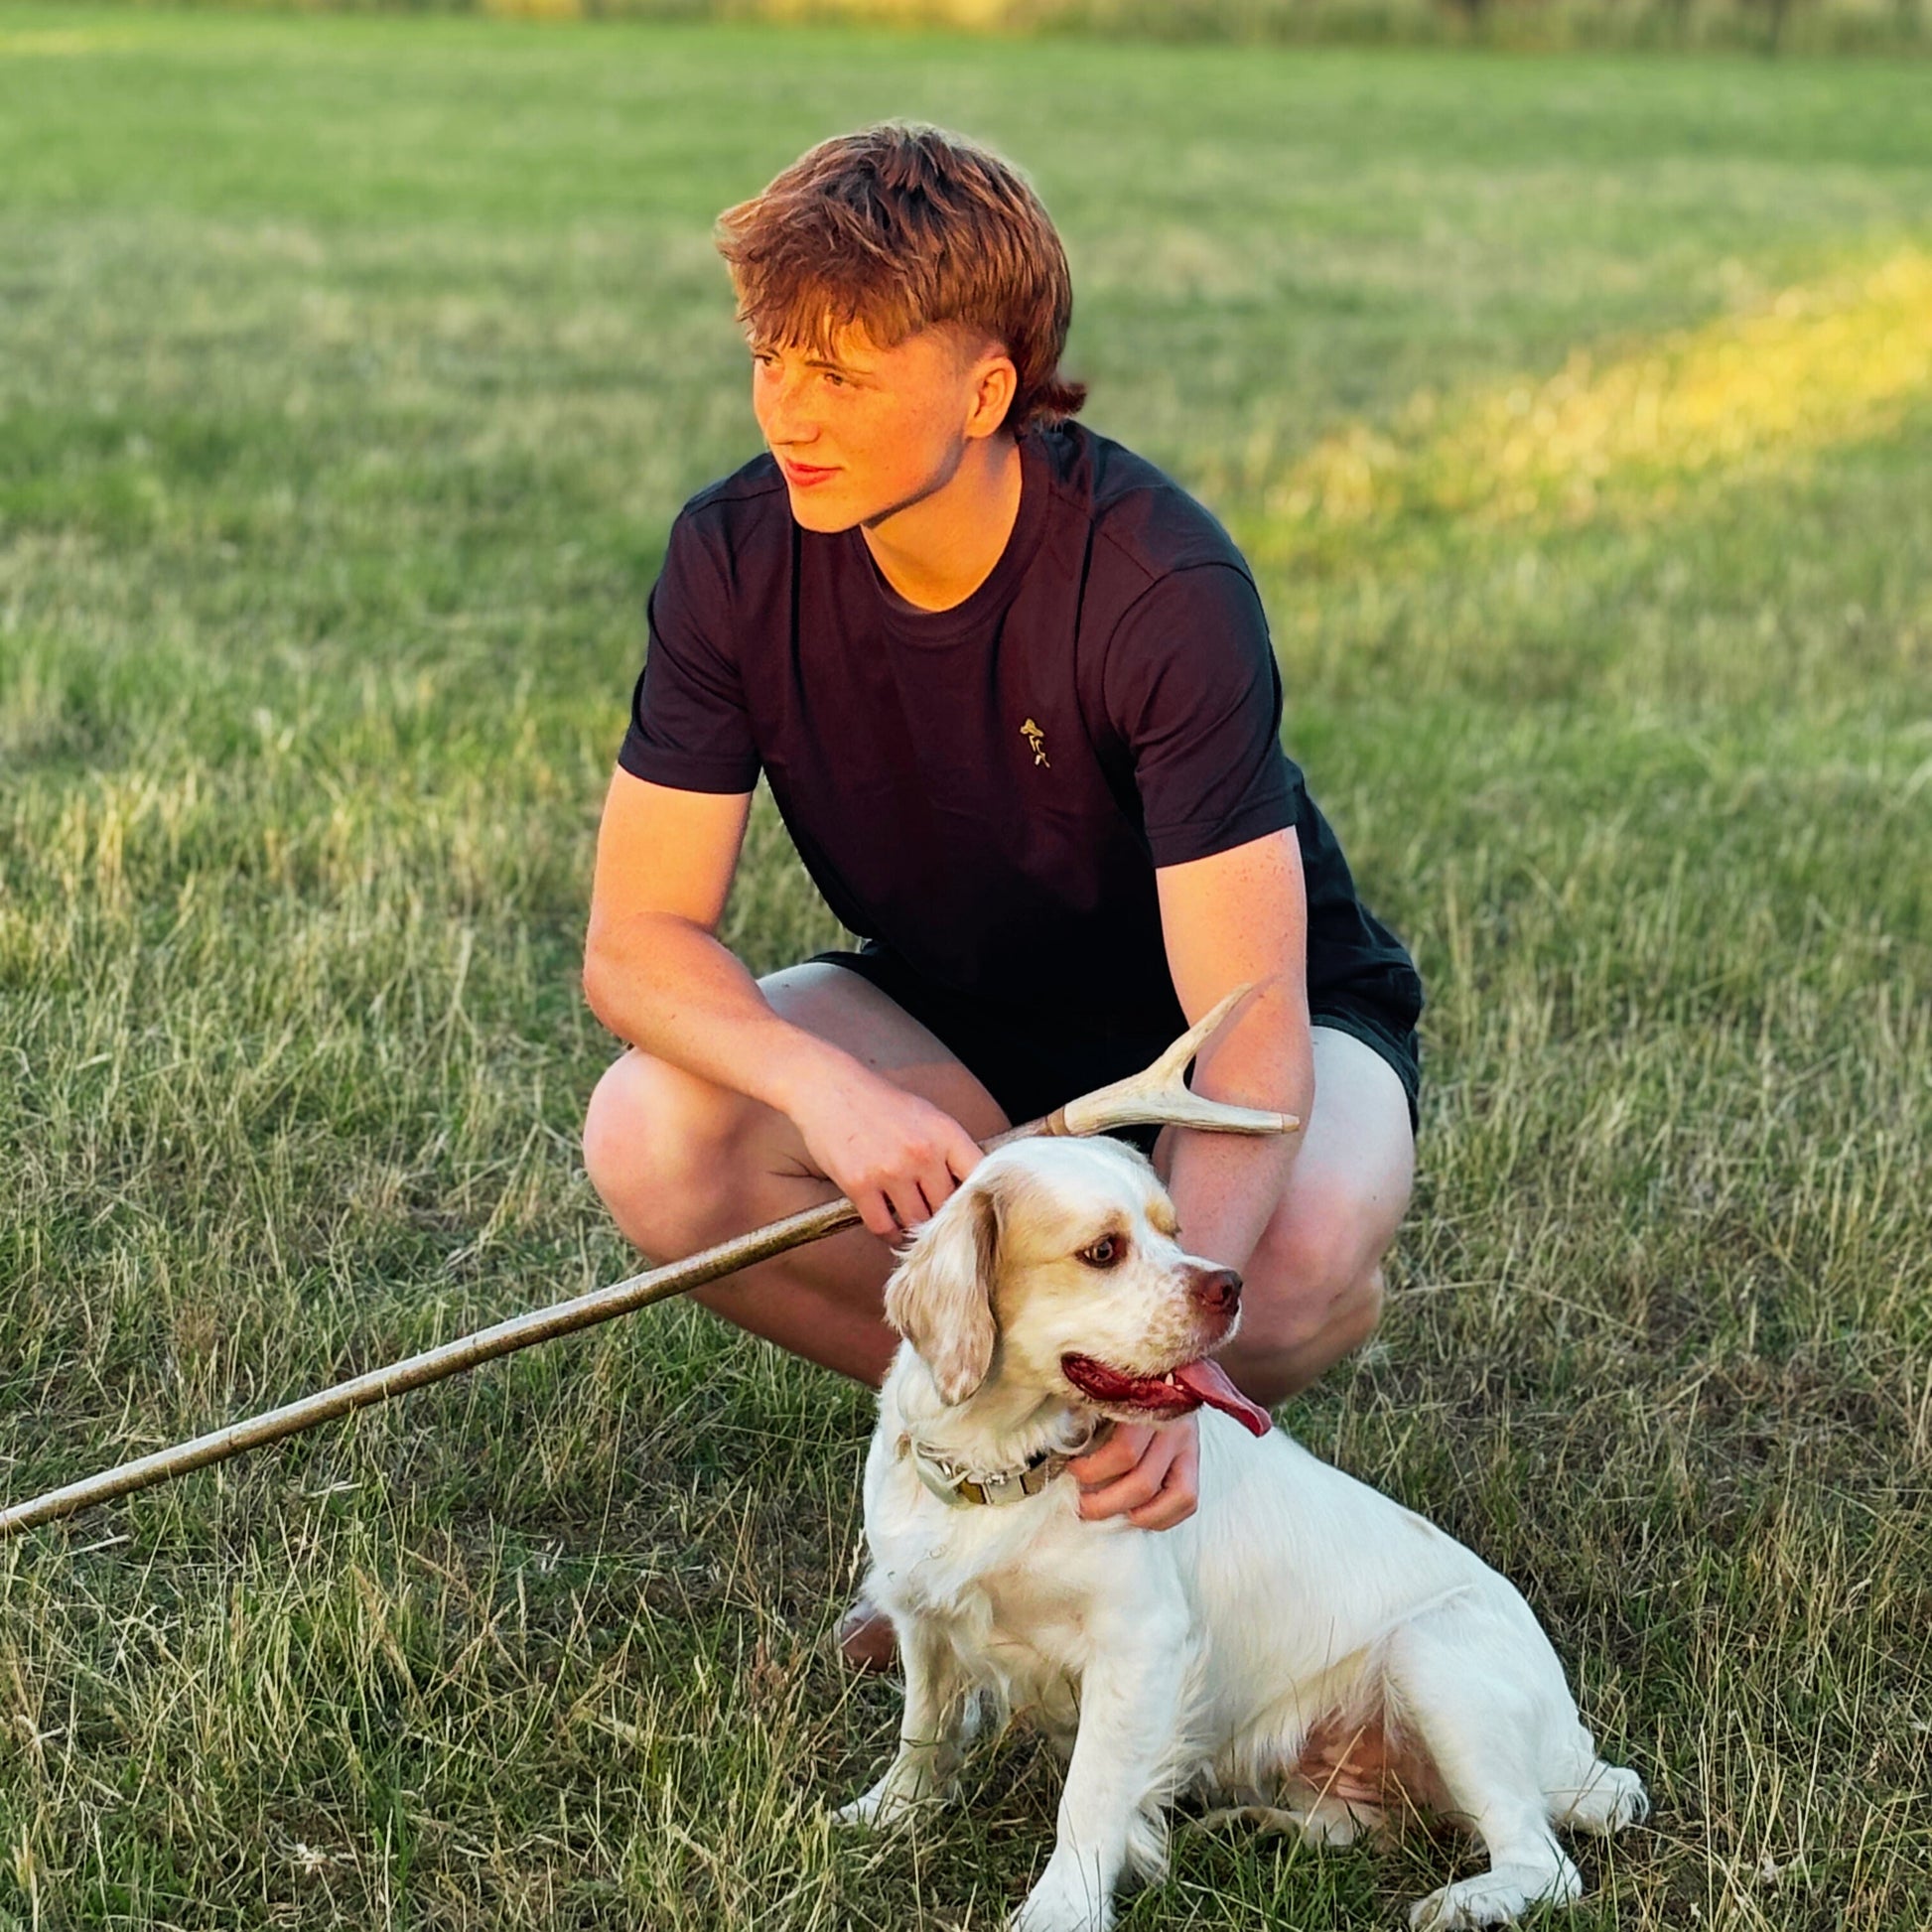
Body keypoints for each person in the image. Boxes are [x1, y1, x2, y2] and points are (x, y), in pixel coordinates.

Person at [580, 125, 1422, 1654]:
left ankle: (1150, 1471)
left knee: (1289, 1267)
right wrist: (826, 1090)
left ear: (983, 393)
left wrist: (1174, 1356)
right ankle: (998, 1473)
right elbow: (634, 947)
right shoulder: (733, 556)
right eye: (771, 357)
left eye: (843, 373)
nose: (788, 410)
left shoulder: (1157, 587)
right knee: (656, 1131)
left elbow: (1246, 1035)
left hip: (1236, 1034)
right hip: (959, 1019)